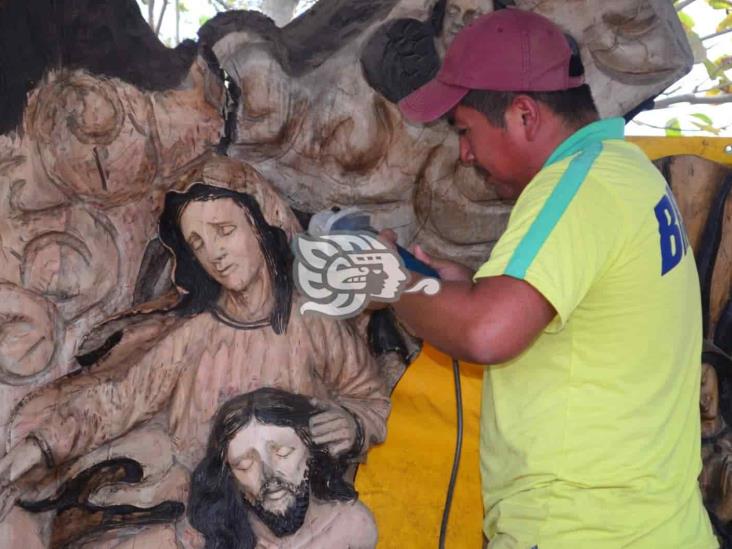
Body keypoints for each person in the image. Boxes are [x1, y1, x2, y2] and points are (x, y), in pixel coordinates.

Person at [385, 8, 716, 548]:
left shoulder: (574, 186)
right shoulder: (626, 173)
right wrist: (465, 285)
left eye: (467, 131)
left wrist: (391, 282)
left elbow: (486, 331)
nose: (465, 154)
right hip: (659, 528)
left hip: (581, 531)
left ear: (523, 115)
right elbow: (570, 314)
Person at [0, 183, 389, 546]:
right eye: (198, 243)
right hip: (204, 519)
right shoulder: (194, 335)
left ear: (262, 224)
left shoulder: (315, 323)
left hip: (296, 514)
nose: (214, 253)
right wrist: (41, 445)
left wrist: (353, 424)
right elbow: (118, 399)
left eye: (224, 230)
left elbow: (371, 400)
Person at [189, 387, 377, 549]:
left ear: (310, 451)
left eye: (283, 453)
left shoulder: (351, 527)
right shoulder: (218, 537)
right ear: (229, 476)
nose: (269, 475)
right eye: (245, 465)